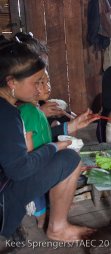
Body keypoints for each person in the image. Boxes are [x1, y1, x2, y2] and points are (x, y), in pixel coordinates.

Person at [0, 39, 96, 240]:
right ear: (12, 82)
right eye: (36, 82)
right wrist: (54, 147)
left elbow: (24, 142)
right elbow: (19, 169)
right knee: (70, 158)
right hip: (3, 200)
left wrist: (71, 126)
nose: (39, 89)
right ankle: (57, 228)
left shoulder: (9, 106)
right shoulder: (8, 114)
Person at [17, 71, 53, 229]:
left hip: (42, 159)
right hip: (35, 163)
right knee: (37, 191)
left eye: (48, 81)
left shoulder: (36, 109)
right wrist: (32, 164)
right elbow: (28, 139)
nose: (48, 86)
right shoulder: (28, 110)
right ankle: (41, 221)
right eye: (42, 83)